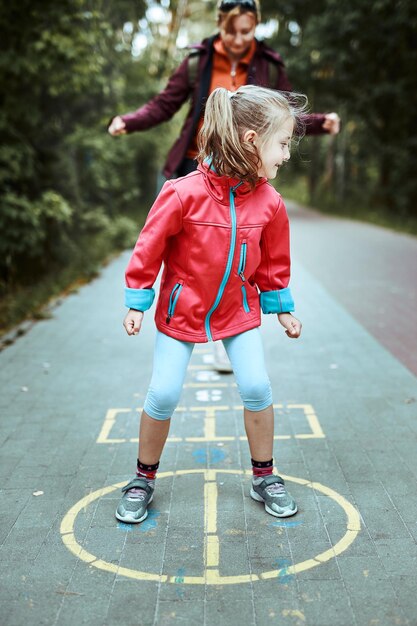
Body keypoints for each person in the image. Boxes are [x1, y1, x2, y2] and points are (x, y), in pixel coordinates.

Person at [108, 0, 339, 372]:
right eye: (231, 30)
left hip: (245, 174)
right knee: (192, 252)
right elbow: (164, 105)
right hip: (197, 164)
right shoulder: (198, 62)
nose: (237, 38)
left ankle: (226, 333)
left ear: (256, 28)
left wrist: (321, 122)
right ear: (220, 25)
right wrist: (129, 121)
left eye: (246, 31)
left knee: (230, 250)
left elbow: (282, 118)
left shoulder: (268, 65)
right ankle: (181, 321)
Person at [116, 84, 304, 524]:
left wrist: (282, 308)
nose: (288, 154)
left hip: (237, 312)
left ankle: (265, 477)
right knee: (163, 393)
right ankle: (142, 479)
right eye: (283, 143)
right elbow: (149, 247)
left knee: (257, 388)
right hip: (181, 311)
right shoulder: (183, 193)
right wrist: (137, 301)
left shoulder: (271, 202)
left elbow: (274, 263)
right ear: (251, 140)